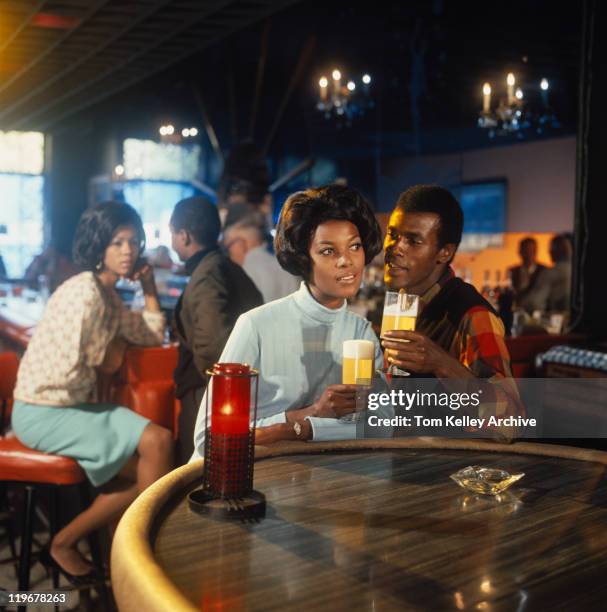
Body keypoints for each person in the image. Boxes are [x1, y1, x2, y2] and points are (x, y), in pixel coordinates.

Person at [11, 201, 173, 582]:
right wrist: (110, 352)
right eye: (117, 242)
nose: (128, 251)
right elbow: (89, 365)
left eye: (133, 242)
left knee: (150, 468)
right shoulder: (85, 292)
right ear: (98, 246)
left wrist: (148, 287)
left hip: (66, 409)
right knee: (160, 443)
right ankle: (138, 562)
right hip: (45, 411)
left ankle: (80, 545)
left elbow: (150, 335)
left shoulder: (107, 297)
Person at [191, 184, 385, 459]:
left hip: (310, 478)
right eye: (328, 251)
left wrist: (308, 429)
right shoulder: (256, 325)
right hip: (234, 475)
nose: (347, 261)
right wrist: (306, 417)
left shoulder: (361, 332)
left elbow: (378, 425)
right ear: (303, 259)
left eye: (355, 246)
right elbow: (208, 437)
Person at [380, 185, 521, 439]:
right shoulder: (400, 302)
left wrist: (441, 363)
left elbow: (510, 420)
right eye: (392, 234)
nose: (395, 248)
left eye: (413, 240)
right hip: (400, 459)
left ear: (445, 252)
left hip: (450, 470)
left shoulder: (473, 314)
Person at [169, 197, 263, 465]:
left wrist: (215, 398)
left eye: (173, 233)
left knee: (199, 474)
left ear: (184, 236)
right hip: (233, 395)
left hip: (210, 397)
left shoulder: (208, 275)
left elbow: (213, 347)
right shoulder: (224, 266)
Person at [223, 211, 299, 302]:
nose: (228, 253)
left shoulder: (245, 272)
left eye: (228, 246)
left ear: (240, 244)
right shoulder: (287, 266)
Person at [520, 233, 572, 314]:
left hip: (554, 322)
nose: (549, 252)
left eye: (551, 249)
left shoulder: (549, 273)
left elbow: (533, 304)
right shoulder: (576, 273)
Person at [508, 237, 547, 306]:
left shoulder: (544, 271)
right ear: (520, 252)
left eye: (531, 250)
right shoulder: (513, 271)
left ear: (535, 251)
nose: (528, 254)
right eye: (526, 251)